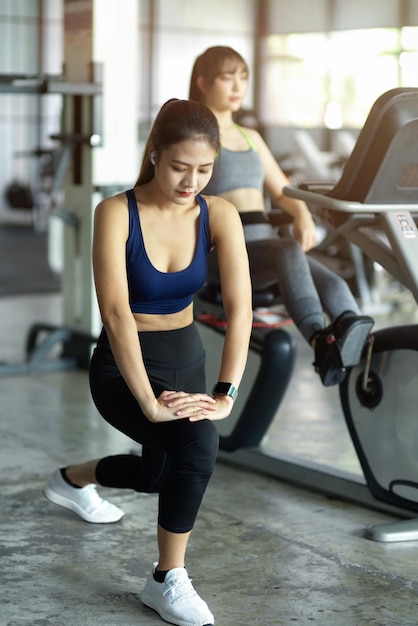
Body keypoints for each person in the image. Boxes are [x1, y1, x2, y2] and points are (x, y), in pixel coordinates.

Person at [43, 98, 252, 626]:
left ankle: (71, 480)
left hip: (187, 362)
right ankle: (166, 580)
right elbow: (115, 314)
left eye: (204, 169)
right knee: (196, 446)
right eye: (180, 166)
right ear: (155, 153)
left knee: (162, 475)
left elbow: (240, 307)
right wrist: (147, 402)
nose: (191, 181)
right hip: (123, 366)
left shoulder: (218, 214)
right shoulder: (115, 212)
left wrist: (226, 392)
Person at [189, 45, 374, 386]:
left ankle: (356, 345)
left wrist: (302, 214)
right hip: (224, 253)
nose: (237, 87)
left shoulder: (251, 136)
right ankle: (320, 341)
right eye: (227, 78)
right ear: (202, 81)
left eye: (243, 78)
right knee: (287, 250)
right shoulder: (197, 137)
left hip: (265, 250)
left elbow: (282, 192)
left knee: (332, 279)